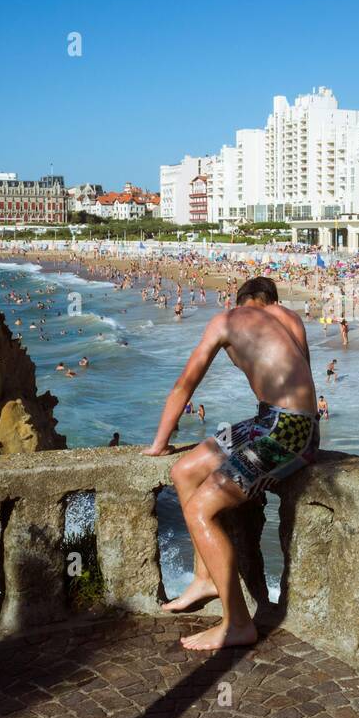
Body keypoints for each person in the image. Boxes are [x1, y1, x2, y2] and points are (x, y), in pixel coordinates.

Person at [142, 276, 319, 652]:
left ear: (240, 300)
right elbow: (306, 378)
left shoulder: (225, 321)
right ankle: (205, 578)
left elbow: (185, 384)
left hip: (282, 430)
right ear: (269, 300)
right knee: (184, 471)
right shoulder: (289, 317)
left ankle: (237, 623)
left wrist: (160, 442)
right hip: (281, 421)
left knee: (201, 510)